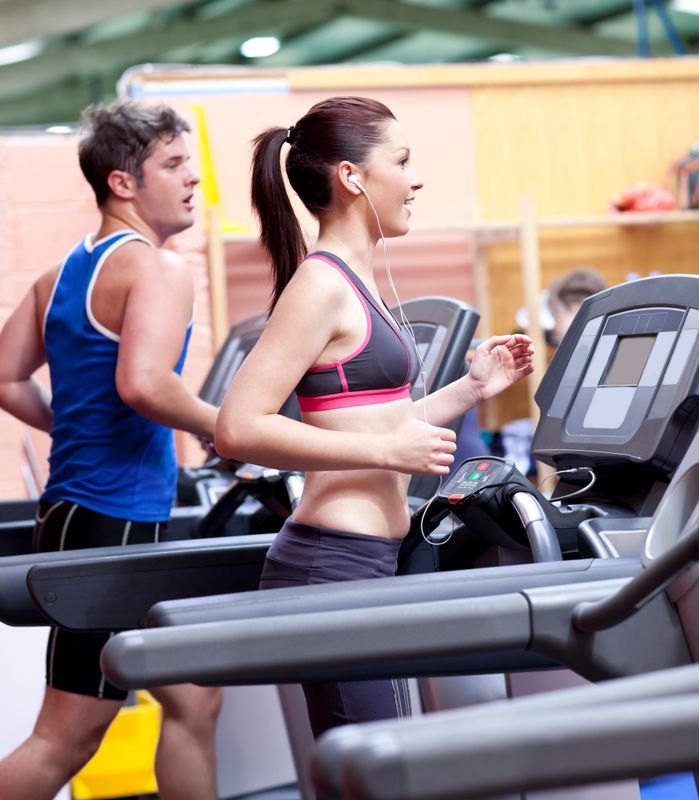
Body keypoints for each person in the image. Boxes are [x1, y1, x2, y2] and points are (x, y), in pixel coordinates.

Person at [214, 95, 534, 739]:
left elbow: (372, 424)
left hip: (365, 556)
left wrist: (472, 388)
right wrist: (388, 455)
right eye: (403, 161)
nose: (415, 179)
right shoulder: (322, 283)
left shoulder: (355, 277)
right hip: (334, 561)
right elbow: (237, 428)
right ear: (352, 177)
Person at [0, 100, 222, 800]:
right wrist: (223, 424)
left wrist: (72, 424)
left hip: (79, 509)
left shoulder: (61, 274)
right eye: (173, 164)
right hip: (113, 522)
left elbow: (6, 377)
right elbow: (145, 384)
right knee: (64, 739)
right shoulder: (156, 269)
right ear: (124, 183)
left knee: (194, 700)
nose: (192, 179)